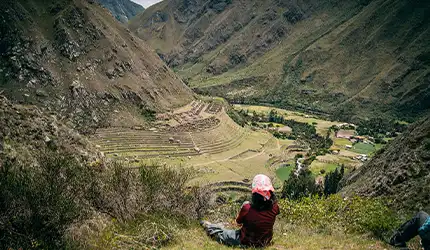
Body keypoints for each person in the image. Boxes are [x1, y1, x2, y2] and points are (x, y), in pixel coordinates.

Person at [201, 174, 280, 247]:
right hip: (265, 241)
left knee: (222, 233)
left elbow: (238, 222)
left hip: (246, 241)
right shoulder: (275, 207)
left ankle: (208, 226)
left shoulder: (247, 208)